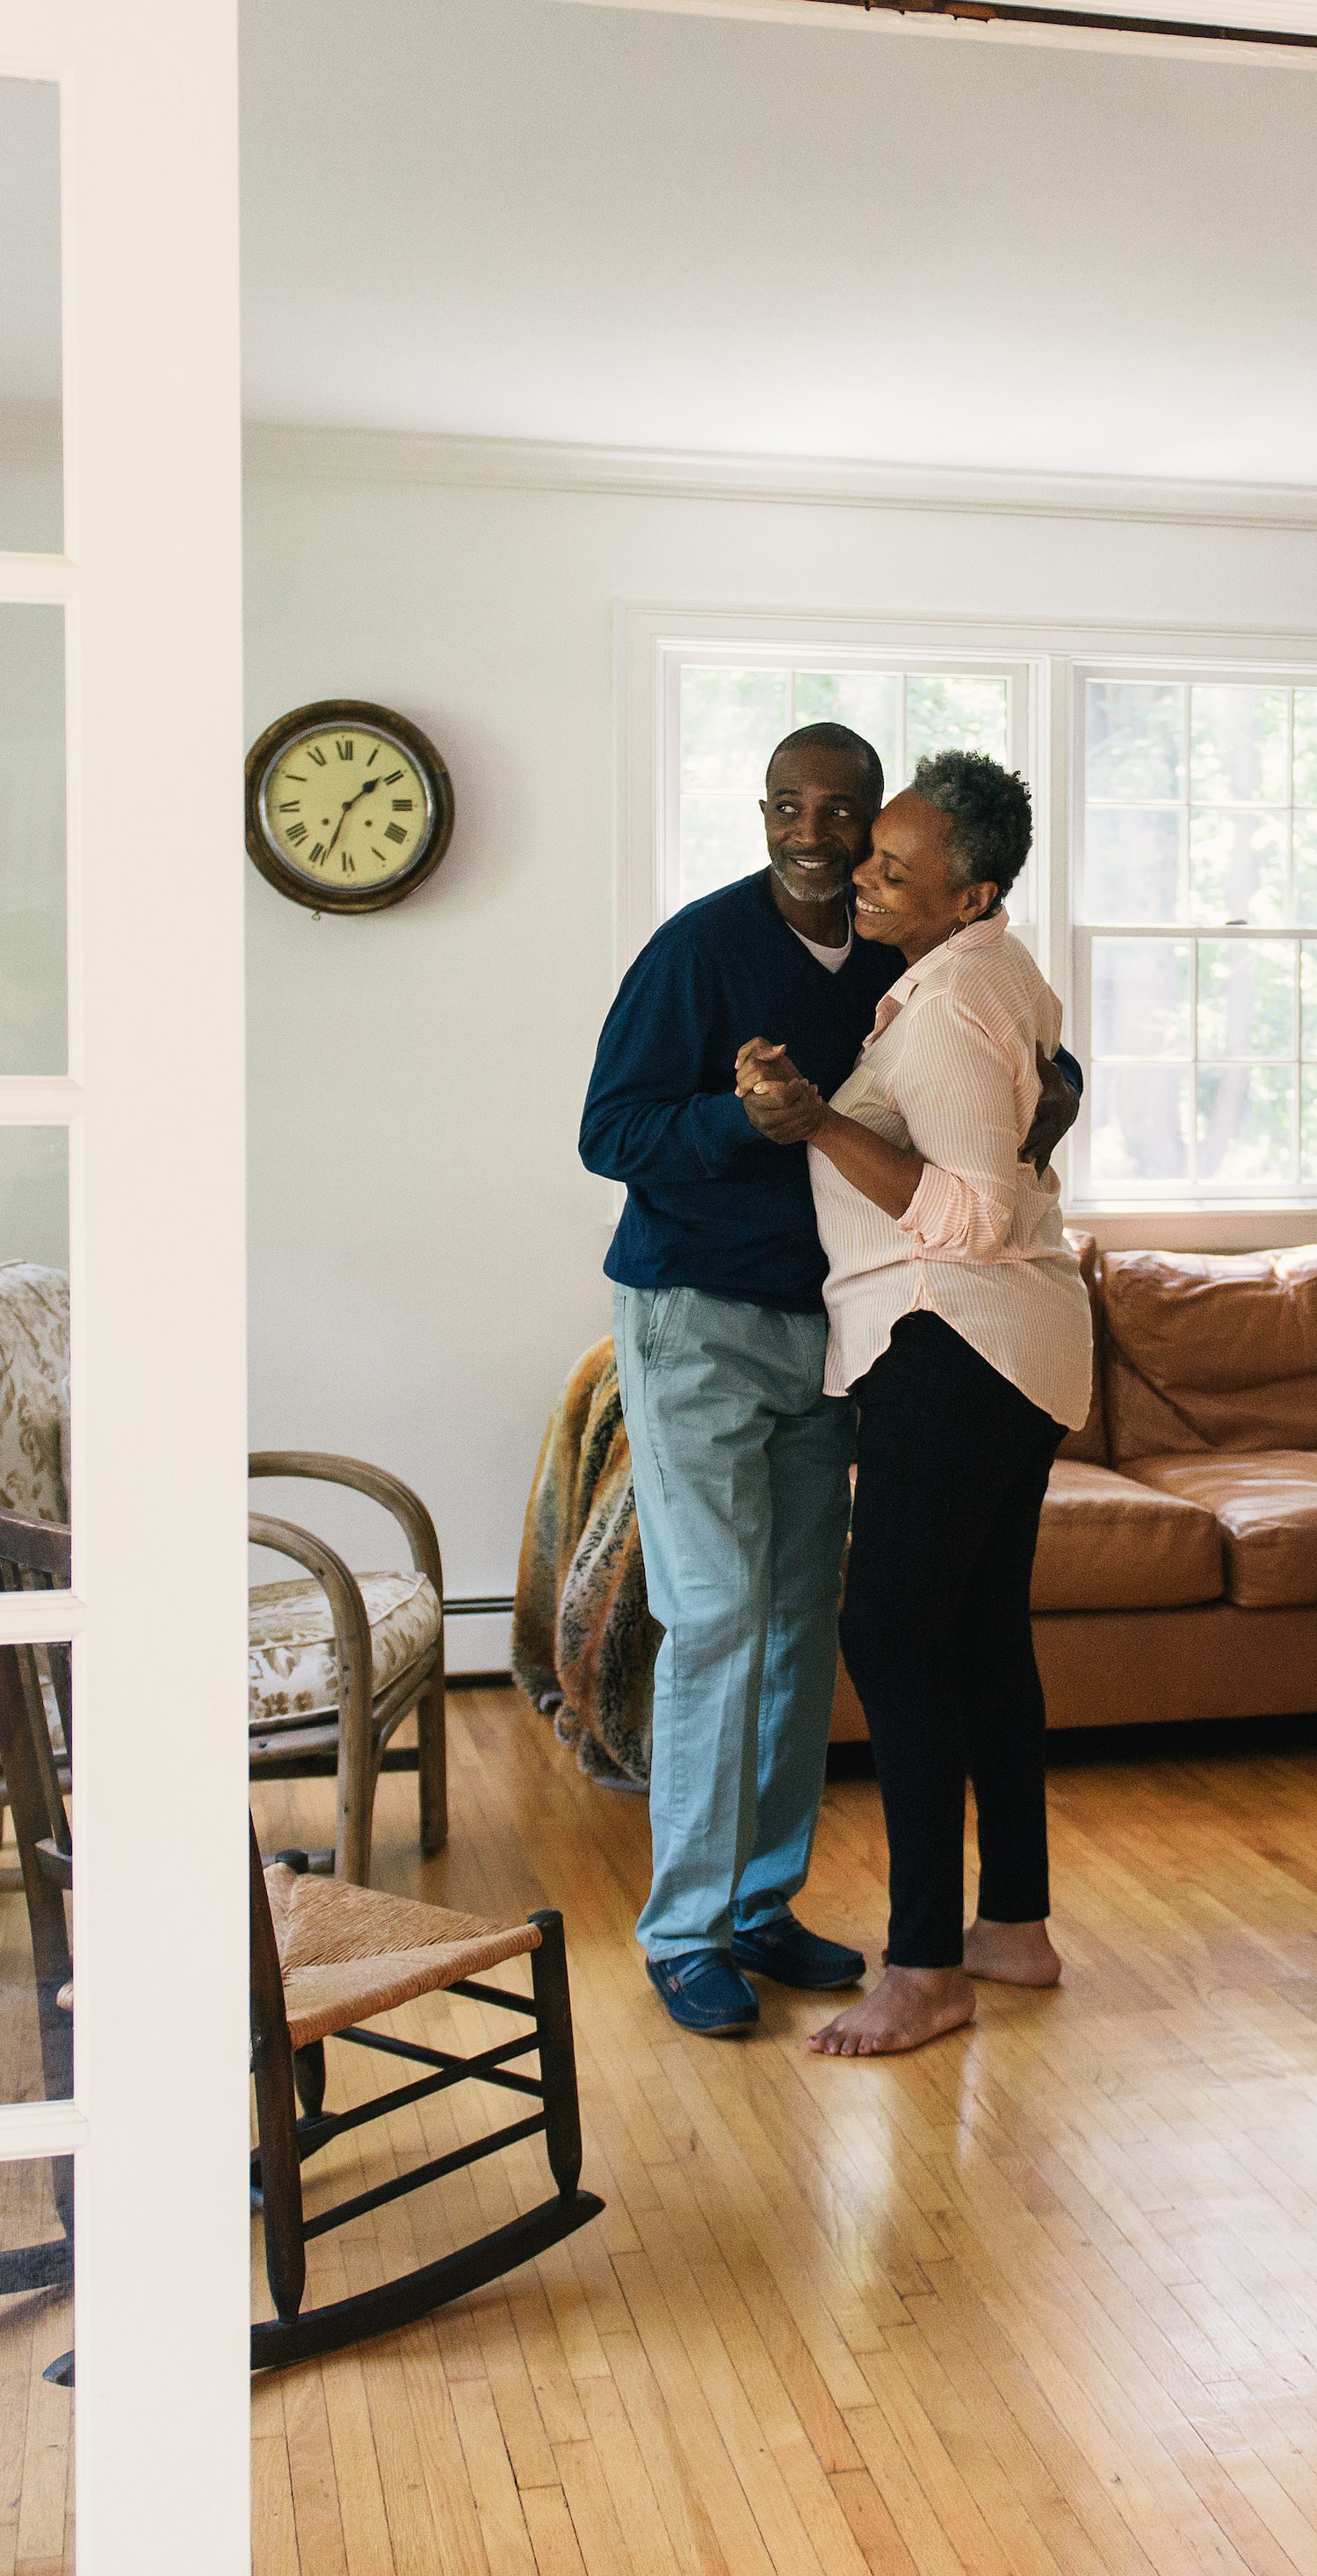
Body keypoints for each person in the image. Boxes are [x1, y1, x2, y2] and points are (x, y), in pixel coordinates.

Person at [575, 724, 1075, 2038]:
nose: (815, 835)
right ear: (761, 814)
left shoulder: (904, 958)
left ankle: (758, 1903)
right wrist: (736, 1118)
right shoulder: (701, 947)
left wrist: (1057, 1080)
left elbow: (991, 1054)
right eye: (788, 806)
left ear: (879, 841)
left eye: (844, 814)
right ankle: (685, 1929)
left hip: (839, 1333)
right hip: (699, 1317)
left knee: (802, 1617)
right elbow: (608, 1132)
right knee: (723, 1615)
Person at [731, 751, 1091, 2060]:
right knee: (982, 1630)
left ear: (969, 889)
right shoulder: (994, 965)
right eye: (870, 854)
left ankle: (929, 1964)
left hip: (956, 1334)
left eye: (894, 867)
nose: (863, 877)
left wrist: (820, 1122)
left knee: (888, 1631)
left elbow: (977, 1213)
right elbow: (1045, 1097)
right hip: (1022, 1348)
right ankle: (1014, 1925)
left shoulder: (940, 1006)